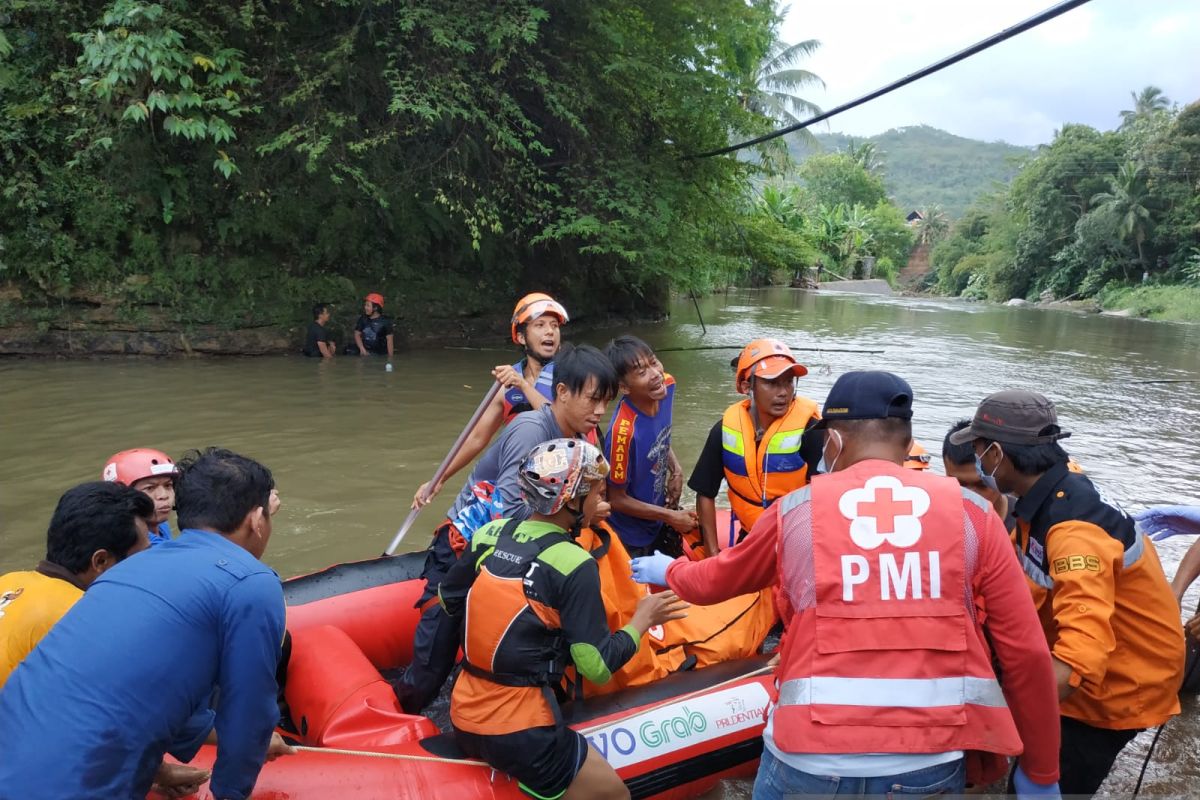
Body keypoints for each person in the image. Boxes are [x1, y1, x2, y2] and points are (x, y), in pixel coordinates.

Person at [632, 371, 1063, 798]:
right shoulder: (975, 516)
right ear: (907, 442)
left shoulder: (795, 512)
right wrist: (1042, 770)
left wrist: (668, 572)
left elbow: (716, 581)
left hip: (810, 758)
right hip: (927, 758)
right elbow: (1025, 652)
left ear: (832, 442)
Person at [0, 448, 292, 800]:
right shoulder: (250, 582)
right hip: (75, 782)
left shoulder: (126, 569)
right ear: (257, 521)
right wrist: (230, 791)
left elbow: (131, 682)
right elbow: (250, 711)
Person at [950, 390, 1184, 796]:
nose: (977, 462)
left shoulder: (1073, 530)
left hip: (1114, 691)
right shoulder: (1053, 483)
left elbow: (1083, 652)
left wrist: (994, 716)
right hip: (1113, 663)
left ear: (996, 454)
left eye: (977, 451)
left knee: (1050, 779)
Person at [441, 439, 688, 800]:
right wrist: (640, 620)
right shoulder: (575, 564)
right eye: (596, 494)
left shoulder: (488, 535)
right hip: (521, 732)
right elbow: (597, 665)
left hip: (462, 714)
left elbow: (450, 600)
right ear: (571, 501)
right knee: (616, 795)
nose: (601, 501)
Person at [396, 344, 620, 713]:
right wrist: (584, 516)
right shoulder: (531, 431)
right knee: (433, 660)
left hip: (509, 558)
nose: (599, 411)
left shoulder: (576, 440)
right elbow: (511, 512)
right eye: (593, 400)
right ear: (562, 392)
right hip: (465, 548)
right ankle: (401, 716)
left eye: (605, 402)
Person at [412, 292, 570, 508]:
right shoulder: (507, 384)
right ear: (522, 337)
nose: (550, 331)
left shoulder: (569, 376)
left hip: (557, 477)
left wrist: (523, 385)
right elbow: (477, 438)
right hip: (518, 477)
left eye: (554, 325)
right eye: (540, 325)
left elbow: (560, 427)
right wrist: (439, 478)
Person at [0, 482, 152, 687]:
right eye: (143, 557)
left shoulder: (10, 580)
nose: (151, 565)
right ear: (100, 561)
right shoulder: (83, 616)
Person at [687, 338, 822, 555]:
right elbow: (705, 492)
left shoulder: (811, 431)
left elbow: (827, 500)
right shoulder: (724, 431)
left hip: (798, 544)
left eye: (788, 382)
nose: (783, 392)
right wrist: (712, 556)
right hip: (750, 535)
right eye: (772, 382)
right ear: (745, 386)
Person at [602, 336, 694, 557]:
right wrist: (670, 516)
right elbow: (616, 499)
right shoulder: (622, 433)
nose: (655, 374)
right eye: (642, 372)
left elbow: (660, 435)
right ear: (623, 387)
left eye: (654, 362)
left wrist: (676, 470)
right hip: (630, 536)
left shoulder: (667, 385)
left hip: (658, 515)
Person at [103, 447, 179, 545]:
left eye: (168, 485)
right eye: (150, 488)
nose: (163, 496)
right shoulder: (132, 545)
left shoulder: (162, 524)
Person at [353, 291, 395, 358]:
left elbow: (389, 341)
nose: (365, 307)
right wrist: (361, 348)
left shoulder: (385, 322)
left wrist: (390, 358)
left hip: (379, 354)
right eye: (365, 305)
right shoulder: (363, 319)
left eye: (368, 305)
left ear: (375, 308)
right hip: (365, 352)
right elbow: (357, 334)